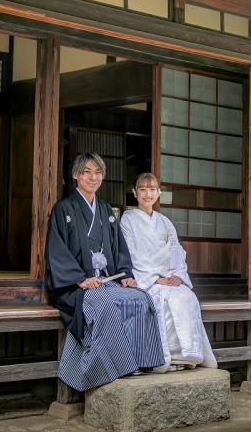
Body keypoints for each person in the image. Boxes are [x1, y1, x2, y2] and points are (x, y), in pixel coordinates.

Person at [44, 153, 167, 392]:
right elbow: (56, 251)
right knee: (105, 304)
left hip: (105, 281)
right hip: (74, 287)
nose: (93, 177)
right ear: (75, 175)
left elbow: (119, 247)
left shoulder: (105, 210)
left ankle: (142, 361)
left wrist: (125, 274)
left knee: (140, 298)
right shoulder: (63, 209)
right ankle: (112, 367)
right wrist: (79, 280)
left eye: (98, 172)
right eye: (87, 172)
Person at [120, 172, 217, 371]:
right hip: (148, 280)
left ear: (159, 192)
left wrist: (177, 276)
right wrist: (156, 278)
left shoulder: (165, 222)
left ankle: (187, 355)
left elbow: (177, 252)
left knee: (186, 296)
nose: (148, 194)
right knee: (162, 300)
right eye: (143, 189)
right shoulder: (127, 220)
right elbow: (131, 254)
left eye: (152, 189)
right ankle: (166, 356)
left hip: (168, 278)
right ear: (134, 193)